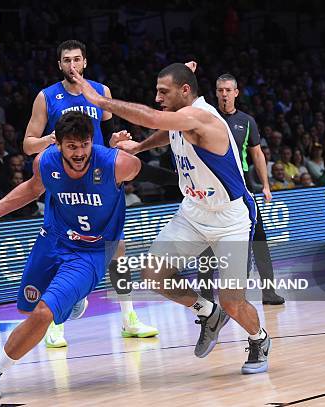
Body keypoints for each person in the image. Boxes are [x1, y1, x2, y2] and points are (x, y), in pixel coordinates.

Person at [73, 63, 271, 374]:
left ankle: (258, 339)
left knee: (233, 302)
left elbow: (155, 119)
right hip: (193, 212)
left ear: (185, 91)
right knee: (153, 274)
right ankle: (207, 312)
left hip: (230, 218)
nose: (156, 97)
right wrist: (139, 147)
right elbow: (168, 131)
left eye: (163, 92)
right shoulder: (183, 119)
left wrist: (101, 102)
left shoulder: (201, 117)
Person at [0, 111, 142, 400]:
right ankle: (74, 301)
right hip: (52, 240)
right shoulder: (45, 161)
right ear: (58, 144)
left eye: (85, 145)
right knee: (28, 310)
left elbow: (137, 164)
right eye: (72, 147)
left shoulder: (115, 164)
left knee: (43, 314)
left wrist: (123, 147)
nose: (79, 153)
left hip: (90, 253)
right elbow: (31, 189)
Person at [21, 39, 158, 347]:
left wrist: (115, 143)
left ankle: (128, 318)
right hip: (66, 182)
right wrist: (53, 138)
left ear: (85, 62)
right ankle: (56, 322)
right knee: (62, 253)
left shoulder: (101, 92)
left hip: (100, 181)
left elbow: (104, 137)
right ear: (59, 65)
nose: (72, 65)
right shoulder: (46, 97)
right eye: (66, 60)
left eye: (77, 59)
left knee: (116, 250)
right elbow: (28, 144)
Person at [197, 73, 284, 305]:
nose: (224, 94)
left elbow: (257, 153)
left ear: (236, 93)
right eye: (220, 90)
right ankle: (206, 298)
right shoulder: (207, 118)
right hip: (211, 187)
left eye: (228, 90)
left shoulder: (246, 122)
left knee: (258, 237)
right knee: (207, 241)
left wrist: (265, 185)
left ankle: (269, 292)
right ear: (215, 93)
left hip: (241, 186)